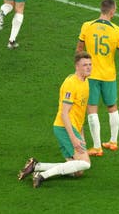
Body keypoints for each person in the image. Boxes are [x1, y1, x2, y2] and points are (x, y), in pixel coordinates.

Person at [17, 51, 92, 188]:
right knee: (85, 163)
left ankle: (36, 166)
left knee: (77, 171)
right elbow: (64, 113)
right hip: (64, 127)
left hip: (73, 127)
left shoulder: (85, 82)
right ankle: (42, 175)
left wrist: (81, 135)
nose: (89, 67)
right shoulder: (71, 84)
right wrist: (73, 138)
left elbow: (80, 113)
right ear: (77, 66)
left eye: (90, 64)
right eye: (85, 65)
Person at [76, 0, 119, 156]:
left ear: (101, 10)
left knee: (92, 109)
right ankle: (113, 142)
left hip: (90, 75)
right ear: (112, 12)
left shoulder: (87, 26)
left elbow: (79, 48)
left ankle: (97, 147)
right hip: (109, 75)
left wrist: (79, 69)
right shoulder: (117, 31)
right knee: (112, 106)